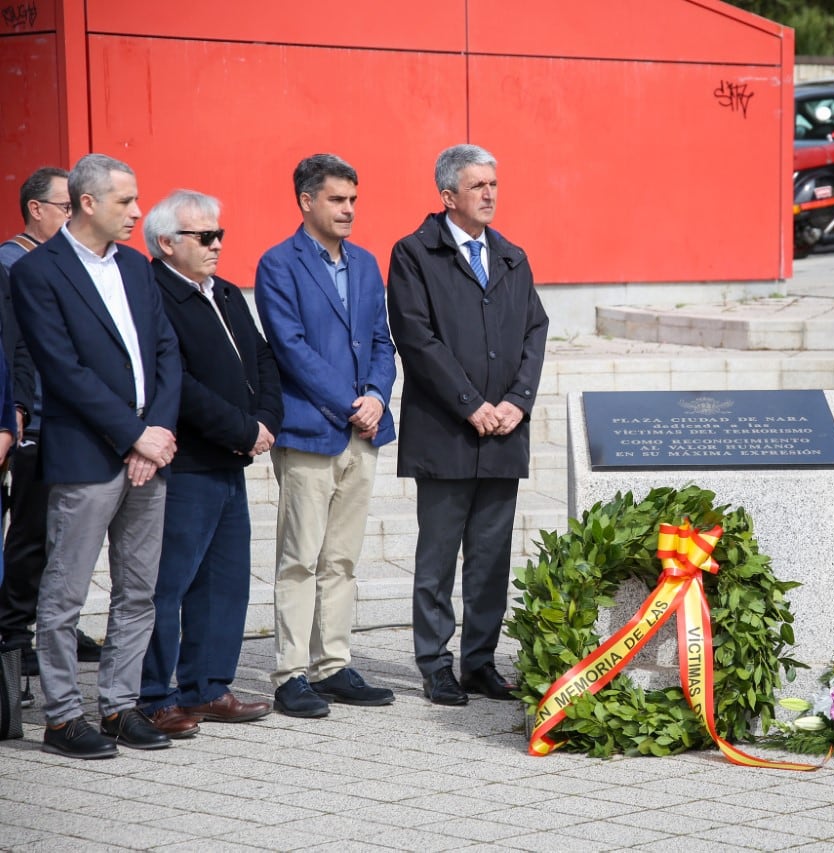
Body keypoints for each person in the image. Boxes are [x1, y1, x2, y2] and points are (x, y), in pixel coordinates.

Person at [10, 153, 181, 758]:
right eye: (125, 201)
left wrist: (157, 431)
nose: (137, 212)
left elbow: (166, 353)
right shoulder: (39, 273)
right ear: (87, 203)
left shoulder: (136, 267)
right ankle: (61, 718)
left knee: (139, 590)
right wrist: (133, 436)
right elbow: (63, 371)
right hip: (87, 454)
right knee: (65, 594)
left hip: (149, 452)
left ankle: (119, 707)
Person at [386, 144, 548, 706]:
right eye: (478, 186)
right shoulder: (414, 254)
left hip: (503, 432)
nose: (490, 194)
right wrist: (470, 404)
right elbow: (415, 337)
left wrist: (518, 401)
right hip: (447, 432)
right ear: (448, 195)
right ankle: (435, 664)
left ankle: (480, 661)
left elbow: (534, 330)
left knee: (490, 558)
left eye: (494, 184)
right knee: (437, 558)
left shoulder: (511, 256)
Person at [255, 154, 397, 717]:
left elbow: (383, 340)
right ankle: (291, 672)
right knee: (299, 559)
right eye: (337, 200)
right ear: (306, 201)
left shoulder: (364, 264)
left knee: (341, 560)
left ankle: (333, 664)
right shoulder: (278, 264)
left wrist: (378, 398)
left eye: (353, 200)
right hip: (311, 430)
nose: (348, 210)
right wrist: (348, 404)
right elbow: (290, 348)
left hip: (363, 433)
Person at [137, 190, 283, 737]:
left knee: (224, 581)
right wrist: (244, 429)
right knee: (167, 584)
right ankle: (153, 695)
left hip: (231, 460)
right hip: (188, 462)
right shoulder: (154, 293)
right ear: (168, 243)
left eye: (220, 234)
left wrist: (267, 417)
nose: (218, 244)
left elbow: (262, 356)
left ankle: (206, 687)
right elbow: (179, 383)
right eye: (206, 236)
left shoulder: (221, 291)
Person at [0, 167, 102, 690]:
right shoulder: (12, 263)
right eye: (66, 206)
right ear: (35, 209)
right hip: (32, 422)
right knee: (31, 532)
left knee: (66, 534)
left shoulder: (63, 262)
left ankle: (57, 626)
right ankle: (15, 632)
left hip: (71, 421)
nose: (74, 215)